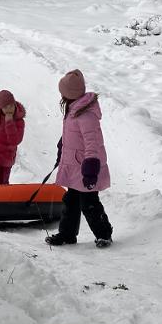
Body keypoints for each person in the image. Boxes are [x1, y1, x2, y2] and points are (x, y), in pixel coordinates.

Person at [45, 69, 113, 248]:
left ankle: (104, 234)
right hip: (75, 165)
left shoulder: (86, 114)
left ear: (69, 94)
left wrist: (91, 168)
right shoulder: (74, 109)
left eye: (63, 92)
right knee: (71, 201)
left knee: (89, 203)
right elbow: (71, 134)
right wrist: (62, 147)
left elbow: (93, 143)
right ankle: (67, 234)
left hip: (86, 167)